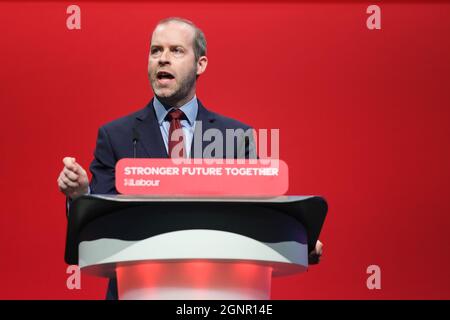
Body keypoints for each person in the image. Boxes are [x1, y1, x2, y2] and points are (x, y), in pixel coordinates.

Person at [57, 17, 323, 299]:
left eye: (176, 50)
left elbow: (255, 214)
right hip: (138, 289)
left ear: (201, 64)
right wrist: (81, 194)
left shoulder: (237, 136)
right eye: (156, 51)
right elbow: (101, 221)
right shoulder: (116, 136)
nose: (163, 59)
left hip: (221, 291)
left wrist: (298, 240)